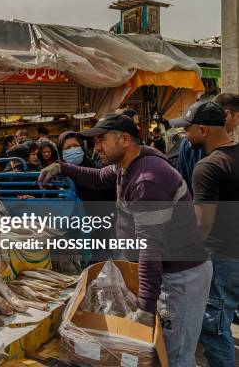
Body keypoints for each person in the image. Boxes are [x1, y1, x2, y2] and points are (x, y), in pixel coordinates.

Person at [39, 113, 211, 366]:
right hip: (164, 270)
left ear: (125, 140)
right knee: (162, 348)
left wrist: (145, 306)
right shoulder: (127, 165)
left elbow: (149, 249)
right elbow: (98, 178)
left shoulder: (147, 179)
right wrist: (62, 167)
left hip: (181, 276)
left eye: (101, 140)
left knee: (176, 354)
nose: (95, 147)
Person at [170, 101, 239, 367]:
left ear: (203, 130)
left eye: (188, 130)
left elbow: (202, 225)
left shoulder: (208, 167)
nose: (185, 136)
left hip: (222, 259)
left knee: (215, 328)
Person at [176, 93, 239, 194]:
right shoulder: (203, 148)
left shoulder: (188, 142)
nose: (237, 123)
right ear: (227, 115)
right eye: (238, 117)